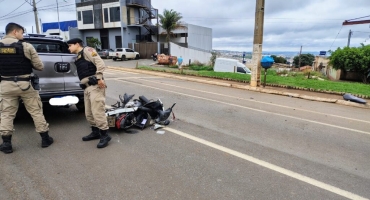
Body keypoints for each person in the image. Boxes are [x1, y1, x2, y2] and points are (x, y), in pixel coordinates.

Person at [0, 22, 53, 154]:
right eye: (22, 33)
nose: (22, 35)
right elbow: (39, 66)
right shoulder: (26, 46)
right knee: (36, 111)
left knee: (6, 113)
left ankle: (6, 143)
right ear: (15, 32)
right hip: (25, 85)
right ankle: (45, 139)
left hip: (5, 85)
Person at [66, 38, 111, 148]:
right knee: (89, 113)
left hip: (95, 86)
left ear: (77, 44)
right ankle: (95, 132)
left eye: (70, 45)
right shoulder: (79, 56)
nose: (69, 48)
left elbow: (100, 63)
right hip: (87, 88)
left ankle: (105, 135)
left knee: (97, 112)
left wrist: (99, 77)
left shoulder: (88, 50)